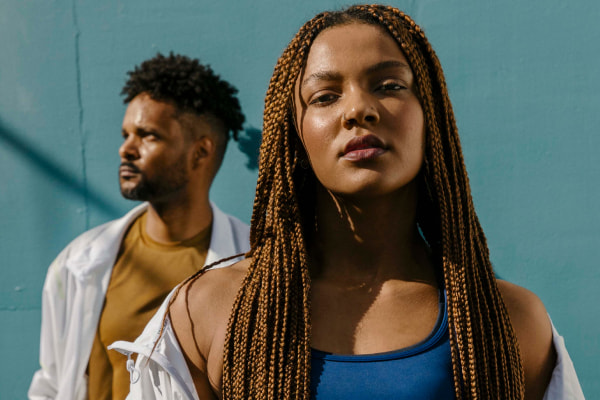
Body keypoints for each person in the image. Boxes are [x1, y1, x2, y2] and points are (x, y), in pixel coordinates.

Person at [118, 6, 584, 400]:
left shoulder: (509, 321)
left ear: (432, 119)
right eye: (325, 96)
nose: (358, 110)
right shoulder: (208, 311)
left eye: (389, 86)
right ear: (295, 137)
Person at [28, 53, 250, 400]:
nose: (126, 149)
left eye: (148, 135)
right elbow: (51, 385)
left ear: (200, 152)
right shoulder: (79, 261)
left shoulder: (251, 261)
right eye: (126, 134)